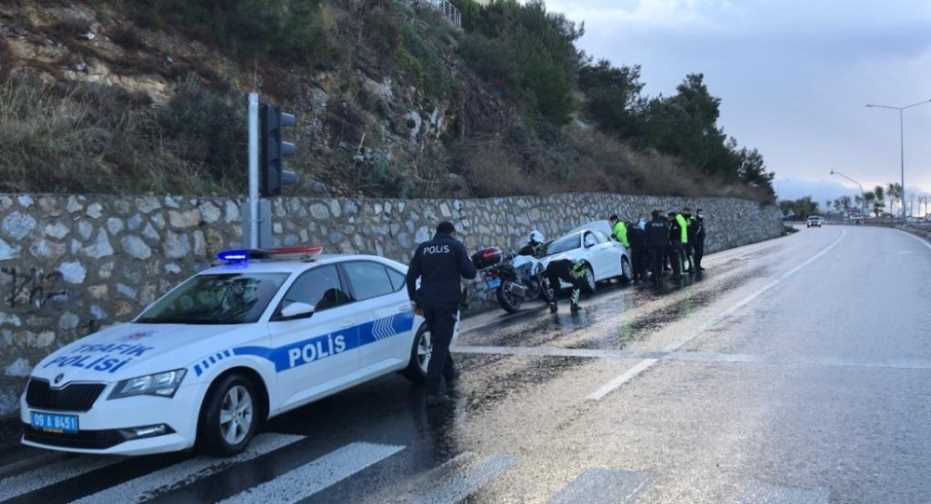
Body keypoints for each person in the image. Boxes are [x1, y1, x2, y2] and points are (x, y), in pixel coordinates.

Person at [406, 221, 477, 406]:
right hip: (447, 302)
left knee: (438, 336)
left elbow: (410, 276)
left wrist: (415, 299)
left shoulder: (424, 248)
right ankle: (433, 392)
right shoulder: (455, 246)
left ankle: (449, 371)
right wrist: (469, 261)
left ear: (436, 233)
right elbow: (470, 273)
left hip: (427, 303)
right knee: (440, 343)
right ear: (452, 233)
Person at [644, 210, 668, 284]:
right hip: (662, 245)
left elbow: (646, 235)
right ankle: (659, 275)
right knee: (660, 260)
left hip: (652, 246)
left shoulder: (648, 224)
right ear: (658, 215)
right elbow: (666, 233)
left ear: (652, 216)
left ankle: (655, 276)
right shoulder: (663, 224)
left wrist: (647, 245)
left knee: (654, 260)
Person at [627, 218, 646, 284]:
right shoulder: (639, 227)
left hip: (635, 248)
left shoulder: (629, 228)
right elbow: (644, 235)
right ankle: (643, 275)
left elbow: (628, 238)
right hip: (642, 247)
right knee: (642, 261)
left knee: (635, 263)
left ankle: (636, 277)